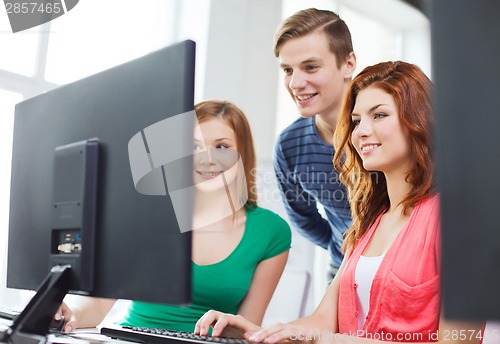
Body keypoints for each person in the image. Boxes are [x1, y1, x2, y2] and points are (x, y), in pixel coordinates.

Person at [194, 62, 485, 343]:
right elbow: (321, 322)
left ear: (419, 120)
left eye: (379, 115)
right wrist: (258, 333)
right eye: (357, 121)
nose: (360, 131)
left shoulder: (457, 220)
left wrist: (330, 340)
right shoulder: (368, 223)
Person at [56, 100, 292, 334]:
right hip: (130, 338)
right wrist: (69, 313)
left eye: (221, 147)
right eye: (194, 146)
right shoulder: (147, 213)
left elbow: (246, 328)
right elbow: (99, 304)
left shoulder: (270, 231)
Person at [272, 8, 356, 281]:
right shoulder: (289, 145)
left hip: (417, 274)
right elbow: (303, 217)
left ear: (348, 64)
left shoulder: (395, 124)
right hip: (343, 272)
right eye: (287, 70)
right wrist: (340, 245)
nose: (295, 83)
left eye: (310, 67)